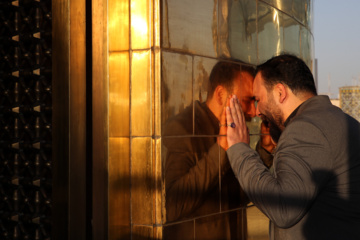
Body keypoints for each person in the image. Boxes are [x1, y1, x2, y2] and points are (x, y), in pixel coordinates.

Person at [225, 54, 360, 240]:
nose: (257, 111)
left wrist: (239, 148)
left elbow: (284, 207)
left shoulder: (307, 128)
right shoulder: (337, 120)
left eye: (259, 99)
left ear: (280, 93)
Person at [163, 61, 256, 240]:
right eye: (247, 101)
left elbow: (240, 197)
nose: (253, 111)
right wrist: (220, 150)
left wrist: (264, 153)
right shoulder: (183, 129)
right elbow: (172, 206)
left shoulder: (233, 130)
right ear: (221, 94)